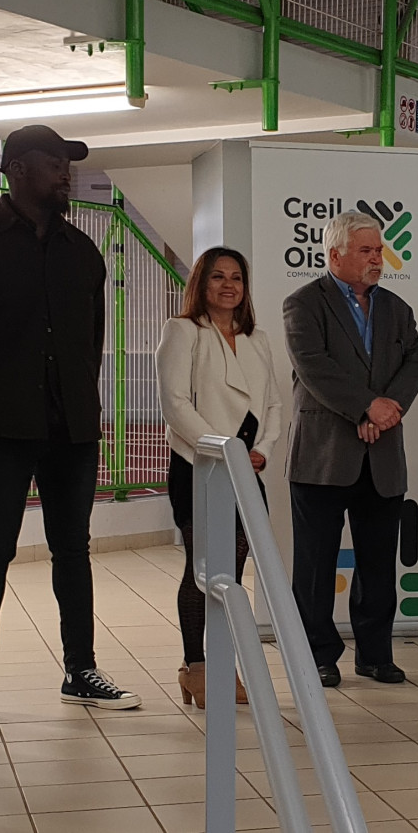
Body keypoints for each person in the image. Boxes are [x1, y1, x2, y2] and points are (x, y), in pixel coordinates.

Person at [0, 124, 140, 727]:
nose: (65, 173)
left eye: (68, 164)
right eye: (54, 163)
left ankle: (81, 670)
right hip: (0, 426)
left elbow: (91, 342)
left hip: (71, 427)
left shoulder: (83, 254)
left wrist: (77, 401)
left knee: (74, 549)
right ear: (16, 169)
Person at [283, 211, 418, 688]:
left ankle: (375, 654)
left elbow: (414, 361)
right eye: (365, 250)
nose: (376, 258)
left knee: (377, 562)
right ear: (335, 255)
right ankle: (319, 655)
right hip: (323, 454)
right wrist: (366, 407)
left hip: (381, 455)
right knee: (317, 565)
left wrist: (388, 410)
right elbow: (313, 367)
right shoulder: (303, 304)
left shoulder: (396, 309)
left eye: (378, 249)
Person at [155, 247, 282, 708]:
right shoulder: (183, 331)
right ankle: (198, 668)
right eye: (217, 277)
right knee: (203, 569)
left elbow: (272, 405)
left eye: (236, 278)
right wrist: (222, 449)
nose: (228, 286)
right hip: (199, 466)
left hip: (248, 470)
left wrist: (262, 450)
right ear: (201, 285)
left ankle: (226, 663)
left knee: (234, 572)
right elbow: (175, 404)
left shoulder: (258, 339)